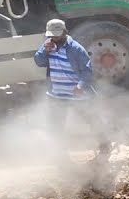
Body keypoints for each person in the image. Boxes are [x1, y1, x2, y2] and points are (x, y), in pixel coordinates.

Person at [33, 18, 111, 156]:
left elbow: (87, 71)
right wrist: (44, 51)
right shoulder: (47, 45)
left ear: (65, 32)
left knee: (91, 119)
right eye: (52, 35)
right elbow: (39, 62)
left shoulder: (76, 49)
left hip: (78, 95)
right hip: (56, 94)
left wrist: (80, 86)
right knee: (56, 125)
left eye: (57, 34)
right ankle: (60, 153)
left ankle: (105, 144)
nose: (55, 38)